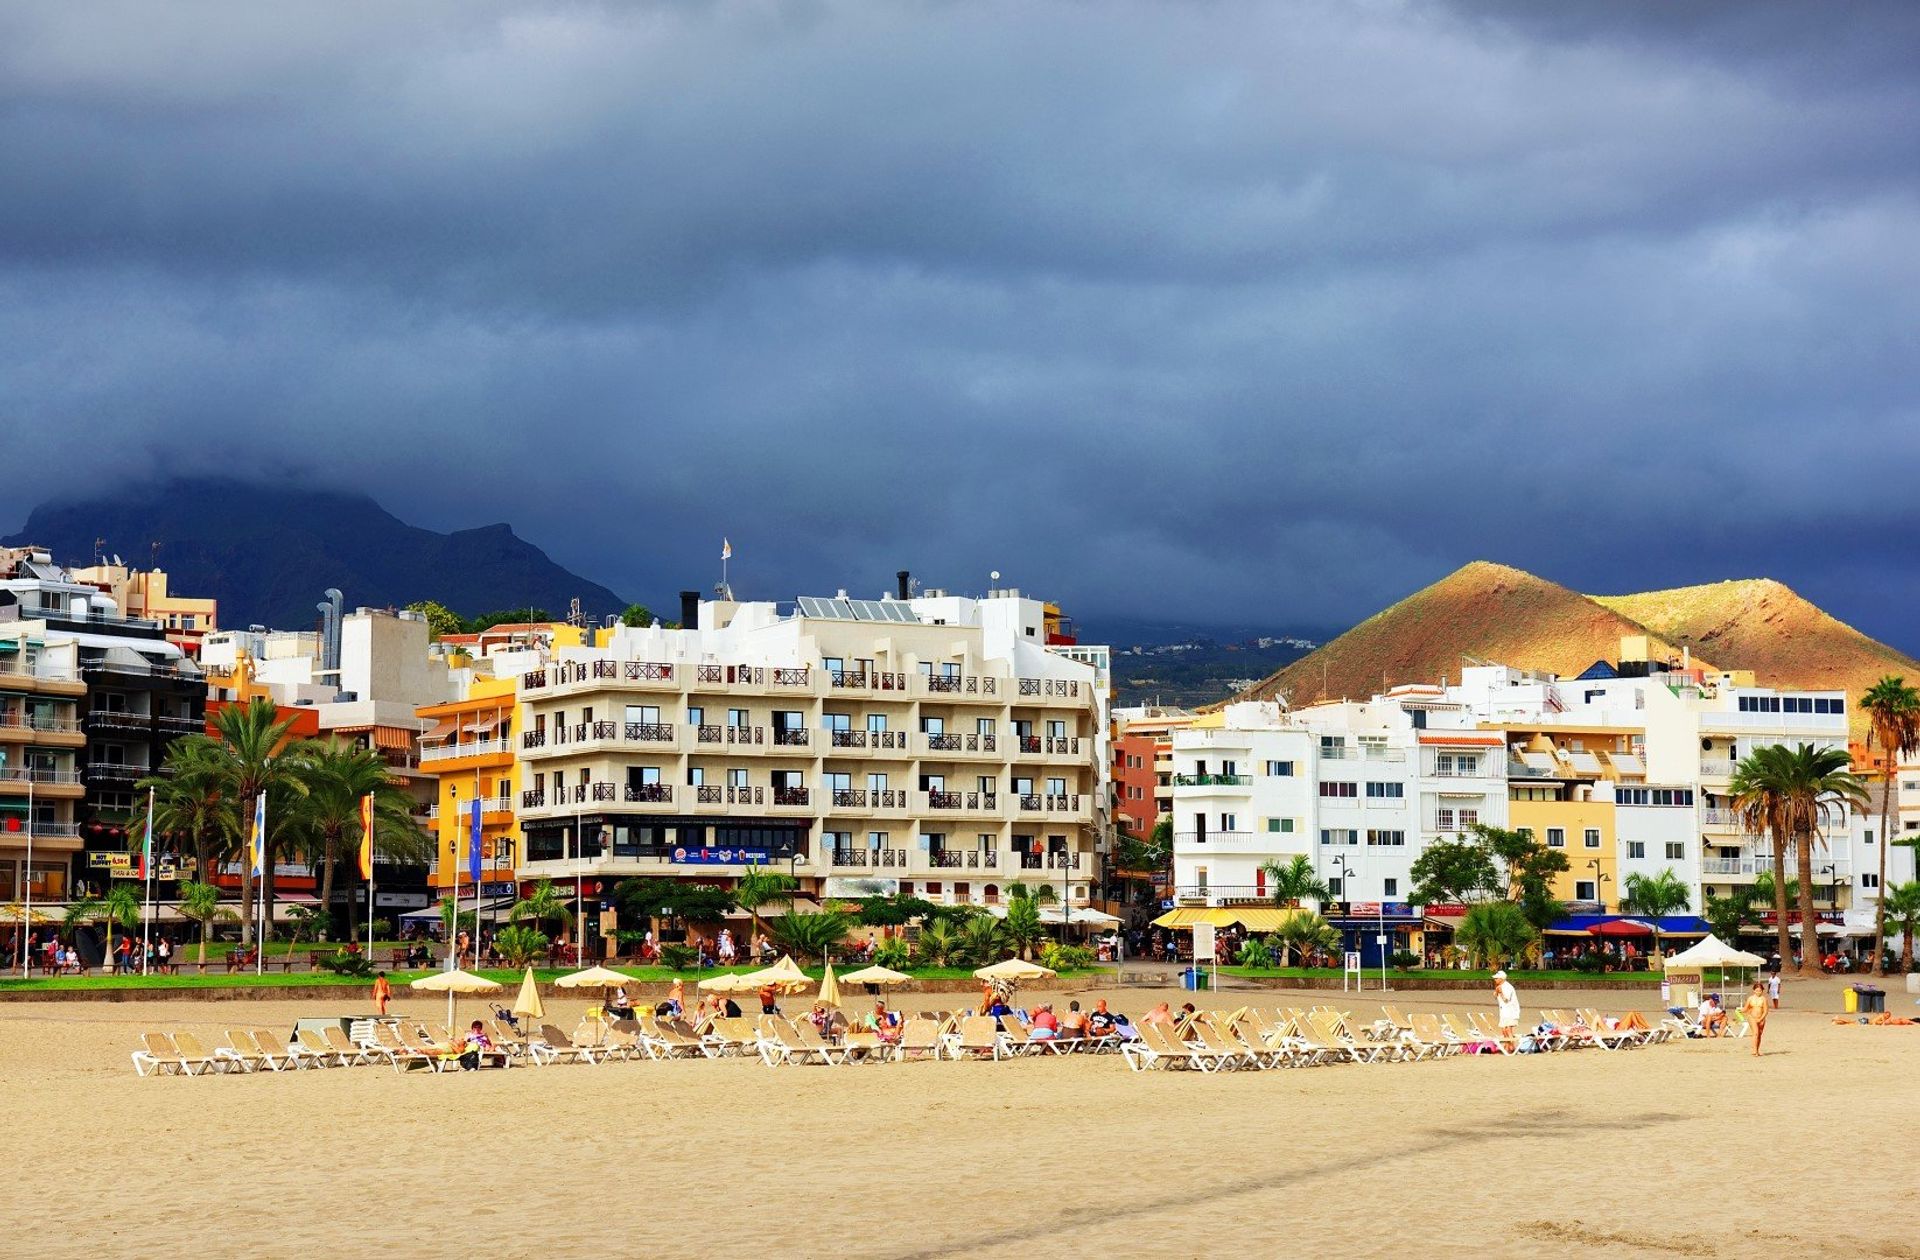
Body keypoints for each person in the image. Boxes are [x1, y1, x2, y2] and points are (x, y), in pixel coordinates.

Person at [1493, 970, 1520, 1048]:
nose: (1495, 980)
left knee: (1508, 1029)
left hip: (1511, 1011)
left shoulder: (1507, 987)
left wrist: (1500, 992)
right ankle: (1507, 1046)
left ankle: (1512, 1047)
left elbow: (1506, 999)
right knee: (1503, 1029)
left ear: (1501, 979)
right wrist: (1497, 992)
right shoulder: (1499, 986)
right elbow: (1495, 997)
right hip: (1503, 1011)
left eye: (1496, 978)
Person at [1741, 981, 1768, 1056]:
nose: (1758, 992)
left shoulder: (1763, 999)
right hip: (1752, 1017)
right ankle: (1754, 1050)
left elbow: (1766, 1011)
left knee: (1759, 1034)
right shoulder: (1750, 998)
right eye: (1757, 990)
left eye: (1760, 991)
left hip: (1761, 1018)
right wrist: (1740, 1010)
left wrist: (1761, 1018)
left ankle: (1757, 1050)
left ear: (1762, 991)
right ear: (1754, 990)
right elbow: (1746, 1008)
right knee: (1755, 1033)